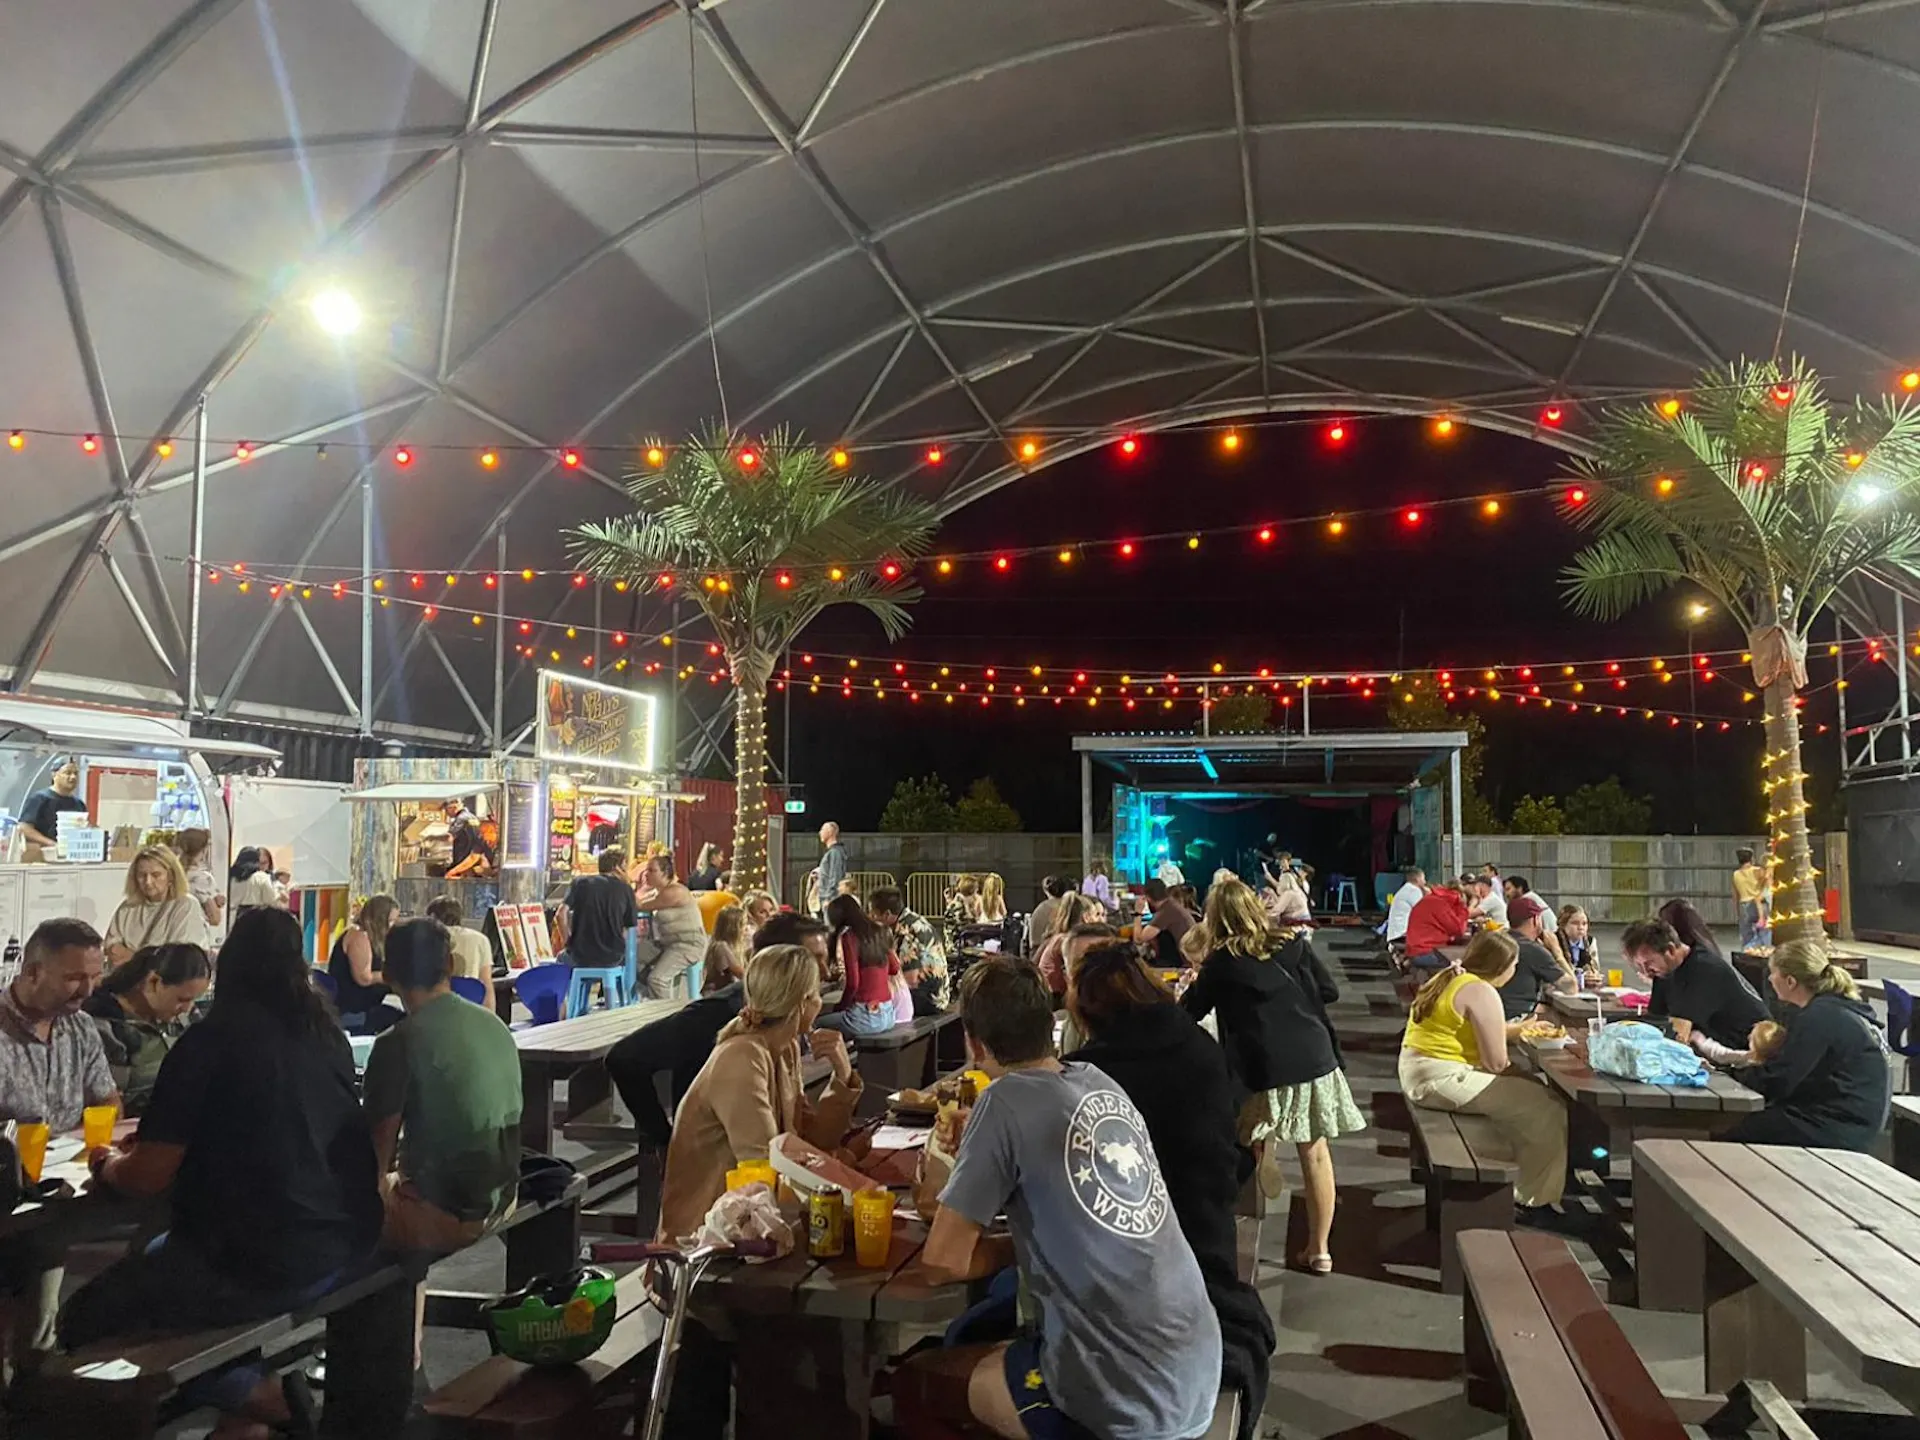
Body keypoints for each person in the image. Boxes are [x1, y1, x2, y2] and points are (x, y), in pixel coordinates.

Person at [62, 907, 382, 1436]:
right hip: (344, 1241)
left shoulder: (208, 1044)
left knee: (87, 1317)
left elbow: (147, 1177)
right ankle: (244, 1415)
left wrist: (107, 1162)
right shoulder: (326, 1037)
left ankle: (260, 1397)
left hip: (257, 1260)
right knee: (165, 1269)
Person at [893, 957, 1221, 1440]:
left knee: (919, 1380)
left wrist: (1016, 1243)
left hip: (1127, 1397)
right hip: (1193, 1368)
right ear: (1051, 1024)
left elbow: (943, 1261)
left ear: (974, 1041)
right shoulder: (1098, 1083)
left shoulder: (1002, 1101)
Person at [1062, 947, 1274, 1436]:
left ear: (1088, 1010)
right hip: (1210, 1231)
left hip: (1144, 1270)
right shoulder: (1197, 1045)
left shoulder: (1090, 1076)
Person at [1182, 877, 1363, 1275]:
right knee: (1315, 1153)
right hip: (1313, 1057)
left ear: (1214, 918)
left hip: (1260, 1067)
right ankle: (1320, 1251)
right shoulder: (1291, 944)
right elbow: (1328, 992)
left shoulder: (1220, 964)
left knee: (1241, 1139)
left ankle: (1232, 1235)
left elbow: (1187, 1015)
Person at [363, 919, 522, 1364]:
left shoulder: (398, 1043)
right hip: (504, 1193)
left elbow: (372, 1161)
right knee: (397, 1190)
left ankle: (379, 1363)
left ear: (388, 974)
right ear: (450, 965)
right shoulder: (493, 1026)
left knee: (346, 1215)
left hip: (451, 1212)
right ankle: (406, 1347)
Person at [658, 944, 861, 1240]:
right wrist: (844, 1174)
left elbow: (811, 1139)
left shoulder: (785, 1048)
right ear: (803, 1003)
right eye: (818, 993)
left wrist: (842, 1074)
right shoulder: (742, 1057)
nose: (821, 1001)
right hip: (707, 1240)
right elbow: (765, 1167)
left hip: (755, 1225)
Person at [606, 914, 826, 1151]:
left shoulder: (783, 1032)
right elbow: (623, 1057)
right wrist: (665, 1140)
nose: (824, 971)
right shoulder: (717, 1014)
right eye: (814, 961)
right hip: (716, 1170)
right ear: (775, 963)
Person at [1399, 931, 1570, 1223]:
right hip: (1441, 1078)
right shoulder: (1482, 991)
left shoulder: (1451, 978)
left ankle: (1541, 1172)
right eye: (1514, 965)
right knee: (1548, 1105)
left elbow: (1465, 1030)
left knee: (1527, 1097)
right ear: (1503, 966)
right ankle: (1535, 1202)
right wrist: (1527, 1077)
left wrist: (1516, 1033)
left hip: (1419, 1071)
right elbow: (1496, 1063)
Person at [1719, 940, 1891, 1152]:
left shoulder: (1820, 1017)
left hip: (1841, 1126)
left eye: (1773, 973)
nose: (1770, 979)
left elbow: (1780, 1079)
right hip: (1855, 1118)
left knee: (1730, 1128)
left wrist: (1732, 1075)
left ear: (1790, 981)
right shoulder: (1837, 1008)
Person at [81, 942, 210, 1114]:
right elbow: (107, 1100)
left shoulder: (184, 1019)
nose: (187, 1008)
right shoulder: (106, 1026)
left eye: (194, 1000)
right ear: (153, 982)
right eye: (182, 999)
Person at [1626, 916, 1769, 1053]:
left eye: (1649, 963)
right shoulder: (1664, 972)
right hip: (1712, 1046)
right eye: (1639, 965)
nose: (1645, 972)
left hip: (1749, 1051)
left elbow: (1681, 1030)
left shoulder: (1706, 969)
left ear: (1670, 950)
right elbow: (1657, 1017)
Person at [102, 846, 205, 967]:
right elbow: (112, 948)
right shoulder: (128, 906)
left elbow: (176, 957)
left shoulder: (185, 905)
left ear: (171, 876)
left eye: (156, 875)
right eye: (142, 875)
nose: (148, 882)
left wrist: (132, 957)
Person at [819, 893, 900, 1038]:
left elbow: (853, 984)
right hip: (888, 1015)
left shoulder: (849, 937)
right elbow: (894, 968)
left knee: (816, 1023)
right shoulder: (879, 931)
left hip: (865, 1018)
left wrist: (840, 1007)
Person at [635, 853, 708, 1001]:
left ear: (665, 873)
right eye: (646, 870)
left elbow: (640, 906)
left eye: (652, 870)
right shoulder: (658, 892)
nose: (646, 874)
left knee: (657, 979)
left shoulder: (674, 891)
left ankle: (667, 1016)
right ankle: (652, 999)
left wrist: (623, 883)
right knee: (630, 956)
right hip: (668, 944)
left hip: (688, 944)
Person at [870, 887, 949, 1014]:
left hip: (928, 999)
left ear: (887, 914)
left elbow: (911, 979)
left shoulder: (906, 931)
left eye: (874, 914)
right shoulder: (915, 920)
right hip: (939, 995)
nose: (872, 918)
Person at [330, 894, 400, 1035]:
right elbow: (364, 978)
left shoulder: (370, 937)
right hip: (354, 1009)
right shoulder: (359, 937)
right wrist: (392, 976)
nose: (393, 926)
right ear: (380, 919)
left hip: (369, 1005)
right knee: (402, 1022)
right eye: (391, 921)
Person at [1495, 896, 1575, 1021]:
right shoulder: (1533, 950)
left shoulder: (1499, 940)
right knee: (1559, 1017)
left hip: (1494, 1011)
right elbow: (1571, 987)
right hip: (1517, 1016)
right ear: (1535, 920)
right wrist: (1557, 951)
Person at [1032, 893, 1101, 997]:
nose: (1100, 920)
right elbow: (1075, 976)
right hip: (1054, 999)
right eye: (1096, 915)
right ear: (1086, 917)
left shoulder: (1057, 938)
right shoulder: (1067, 942)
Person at [16, 758, 85, 856]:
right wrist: (52, 844)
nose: (73, 777)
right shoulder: (40, 798)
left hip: (73, 857)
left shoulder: (79, 804)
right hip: (43, 857)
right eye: (68, 773)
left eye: (76, 773)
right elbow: (23, 828)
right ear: (54, 774)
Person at [1403, 880, 1471, 970]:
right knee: (1465, 962)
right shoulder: (1441, 903)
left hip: (1416, 950)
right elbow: (1458, 930)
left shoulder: (1434, 899)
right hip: (1425, 952)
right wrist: (1462, 907)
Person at [425, 896, 494, 983]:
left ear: (432, 916)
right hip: (470, 994)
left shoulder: (426, 937)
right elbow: (486, 982)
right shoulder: (481, 939)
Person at [1138, 876, 1195, 970]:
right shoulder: (1171, 905)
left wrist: (1138, 913)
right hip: (1186, 959)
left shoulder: (1166, 911)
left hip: (1185, 964)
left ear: (1148, 898)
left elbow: (1139, 939)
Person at [173, 827, 224, 935]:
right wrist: (215, 903)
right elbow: (215, 919)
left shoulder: (168, 873)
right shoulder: (203, 879)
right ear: (204, 850)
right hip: (194, 937)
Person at [441, 797, 494, 879]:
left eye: (446, 810)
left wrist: (430, 838)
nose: (447, 813)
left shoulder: (461, 818)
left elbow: (449, 837)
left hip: (468, 861)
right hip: (473, 862)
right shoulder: (472, 817)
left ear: (453, 808)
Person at [702, 904, 750, 995]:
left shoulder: (734, 947)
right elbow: (740, 973)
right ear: (733, 928)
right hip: (717, 995)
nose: (746, 928)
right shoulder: (721, 947)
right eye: (743, 925)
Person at [1733, 847, 1772, 950]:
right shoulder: (1757, 871)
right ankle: (1764, 954)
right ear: (1752, 859)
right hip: (1759, 905)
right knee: (1765, 932)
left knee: (1746, 935)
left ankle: (1747, 953)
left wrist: (1737, 911)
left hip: (1744, 905)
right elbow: (1768, 879)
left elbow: (1735, 895)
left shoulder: (1735, 874)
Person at [227, 847, 281, 913]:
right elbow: (271, 901)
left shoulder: (230, 876)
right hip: (254, 917)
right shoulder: (262, 877)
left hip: (231, 918)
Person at [813, 822, 848, 919]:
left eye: (822, 830)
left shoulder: (835, 853)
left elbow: (835, 877)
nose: (820, 833)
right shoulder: (833, 852)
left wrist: (829, 899)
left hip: (829, 900)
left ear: (830, 832)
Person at [1026, 876, 1069, 953]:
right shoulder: (1071, 907)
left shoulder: (1040, 909)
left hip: (1040, 953)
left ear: (1045, 890)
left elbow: (1033, 942)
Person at [1384, 866, 1426, 947]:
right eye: (1423, 879)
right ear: (1417, 879)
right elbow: (1423, 912)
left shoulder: (1405, 889)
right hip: (1401, 935)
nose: (1425, 882)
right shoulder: (1413, 890)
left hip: (1395, 935)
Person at [1558, 906, 1599, 978]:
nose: (1581, 927)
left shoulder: (1590, 941)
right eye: (1575, 923)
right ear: (1563, 924)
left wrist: (1592, 973)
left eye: (1584, 923)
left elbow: (1595, 967)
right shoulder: (1555, 940)